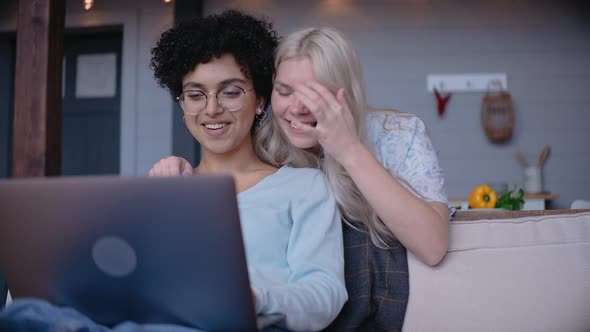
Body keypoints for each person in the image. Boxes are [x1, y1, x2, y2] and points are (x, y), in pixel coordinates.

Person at [0, 12, 347, 332]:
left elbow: (325, 292)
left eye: (230, 92)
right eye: (196, 95)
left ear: (259, 101)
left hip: (237, 324)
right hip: (145, 323)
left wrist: (253, 298)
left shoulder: (304, 187)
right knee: (25, 309)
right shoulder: (165, 188)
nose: (212, 109)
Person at [152, 27, 450, 266]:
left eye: (314, 94)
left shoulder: (398, 133)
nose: (296, 108)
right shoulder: (267, 143)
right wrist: (180, 170)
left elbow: (433, 247)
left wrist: (348, 149)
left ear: (345, 93)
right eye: (285, 91)